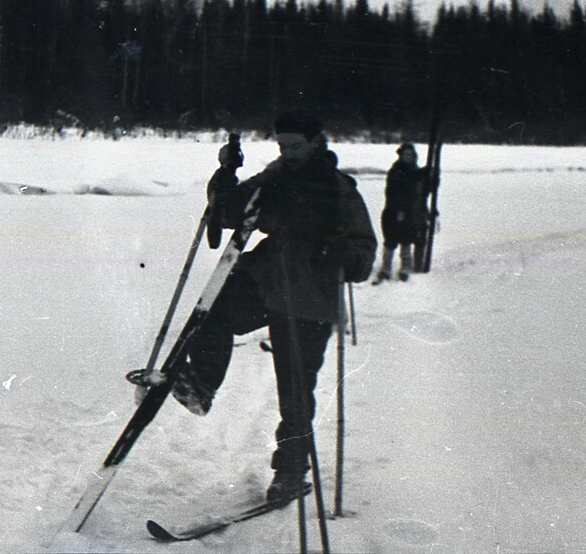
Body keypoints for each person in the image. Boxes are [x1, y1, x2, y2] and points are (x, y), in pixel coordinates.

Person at [173, 111, 377, 503]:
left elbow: (364, 252)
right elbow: (229, 211)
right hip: (266, 280)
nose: (288, 153)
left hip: (310, 296)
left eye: (295, 146)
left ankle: (290, 471)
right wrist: (226, 173)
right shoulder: (274, 177)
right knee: (212, 309)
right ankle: (201, 384)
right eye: (282, 146)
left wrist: (344, 253)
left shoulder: (338, 189)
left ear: (317, 142)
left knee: (296, 388)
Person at [374, 142, 429, 283]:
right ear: (401, 155)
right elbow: (395, 192)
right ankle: (386, 268)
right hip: (394, 211)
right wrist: (398, 210)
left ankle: (405, 268)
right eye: (406, 154)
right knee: (391, 242)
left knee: (406, 241)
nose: (409, 157)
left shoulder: (414, 170)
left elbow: (422, 188)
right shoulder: (397, 171)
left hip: (410, 213)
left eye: (411, 154)